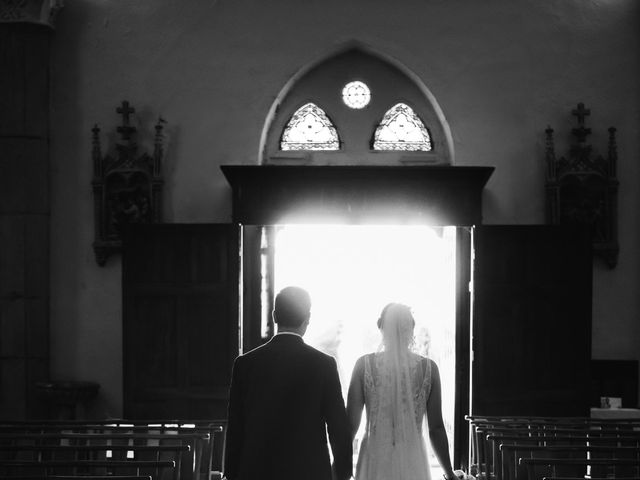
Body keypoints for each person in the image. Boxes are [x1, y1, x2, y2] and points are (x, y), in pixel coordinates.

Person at [224, 286, 352, 480]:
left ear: (275, 316)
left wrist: (231, 473)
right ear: (308, 318)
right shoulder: (324, 365)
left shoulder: (245, 364)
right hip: (309, 471)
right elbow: (338, 427)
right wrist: (343, 473)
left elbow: (236, 426)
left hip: (256, 470)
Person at [346, 303, 457, 480]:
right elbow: (436, 428)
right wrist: (449, 473)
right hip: (412, 458)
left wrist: (341, 467)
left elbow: (350, 426)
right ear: (411, 329)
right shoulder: (429, 368)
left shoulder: (363, 366)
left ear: (380, 325)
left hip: (374, 457)